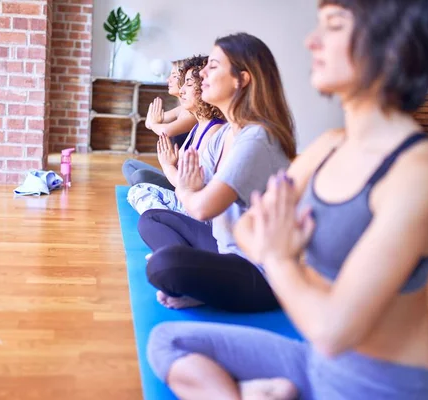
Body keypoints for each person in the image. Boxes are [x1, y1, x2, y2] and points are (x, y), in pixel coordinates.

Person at [145, 1, 428, 399]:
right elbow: (247, 228)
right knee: (168, 341)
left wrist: (278, 256)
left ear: (391, 48)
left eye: (333, 26)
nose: (312, 41)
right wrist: (273, 247)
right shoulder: (327, 148)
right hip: (313, 363)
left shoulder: (419, 173)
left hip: (375, 385)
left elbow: (332, 331)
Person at [137, 33, 297, 313]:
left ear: (241, 79)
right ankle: (202, 281)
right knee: (151, 219)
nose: (203, 74)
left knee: (166, 265)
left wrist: (186, 189)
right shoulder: (223, 134)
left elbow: (200, 207)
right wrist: (188, 188)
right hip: (222, 246)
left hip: (258, 270)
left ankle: (200, 281)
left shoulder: (257, 138)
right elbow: (195, 193)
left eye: (213, 66)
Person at [127, 55, 225, 216]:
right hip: (184, 195)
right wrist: (172, 164)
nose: (181, 90)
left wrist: (168, 165)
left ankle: (165, 222)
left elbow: (191, 187)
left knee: (140, 188)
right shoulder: (199, 125)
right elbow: (153, 123)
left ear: (205, 87)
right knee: (133, 177)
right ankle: (163, 221)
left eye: (188, 83)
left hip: (194, 209)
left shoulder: (213, 130)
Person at [122, 59, 197, 190]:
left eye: (174, 76)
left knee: (140, 176)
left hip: (180, 181)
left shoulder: (192, 114)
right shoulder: (180, 110)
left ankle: (150, 192)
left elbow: (165, 130)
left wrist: (155, 123)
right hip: (171, 171)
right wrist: (155, 123)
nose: (169, 80)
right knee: (129, 165)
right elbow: (148, 123)